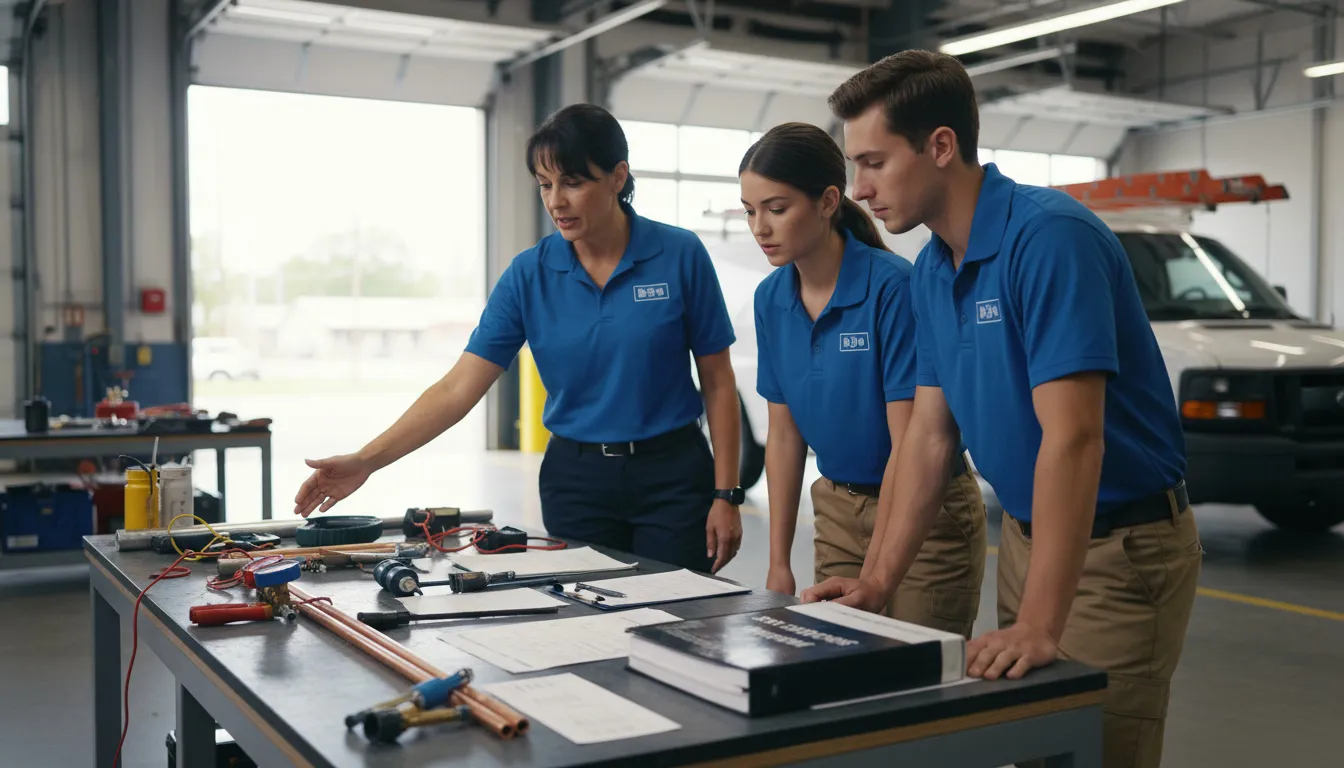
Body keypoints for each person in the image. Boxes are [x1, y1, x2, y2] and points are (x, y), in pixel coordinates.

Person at [802, 51, 1200, 768]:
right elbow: (928, 436)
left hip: (1120, 547)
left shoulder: (1047, 239)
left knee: (1100, 747)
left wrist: (1041, 624)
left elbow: (1076, 440)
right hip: (1028, 538)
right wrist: (879, 583)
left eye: (873, 163)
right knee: (1039, 747)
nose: (857, 189)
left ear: (941, 146)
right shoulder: (932, 268)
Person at [293, 103, 745, 574]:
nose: (556, 202)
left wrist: (726, 493)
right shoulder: (529, 274)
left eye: (573, 182)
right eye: (545, 185)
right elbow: (457, 389)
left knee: (678, 622)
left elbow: (717, 381)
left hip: (673, 475)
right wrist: (367, 460)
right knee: (589, 625)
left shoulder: (679, 254)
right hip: (577, 482)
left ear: (617, 177)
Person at [739, 122, 986, 638]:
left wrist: (876, 575)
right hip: (836, 509)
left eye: (777, 209)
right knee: (841, 668)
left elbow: (908, 443)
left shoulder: (892, 289)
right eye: (750, 211)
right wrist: (778, 561)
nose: (759, 227)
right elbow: (784, 436)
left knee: (916, 683)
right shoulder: (771, 300)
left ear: (829, 201)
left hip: (924, 515)